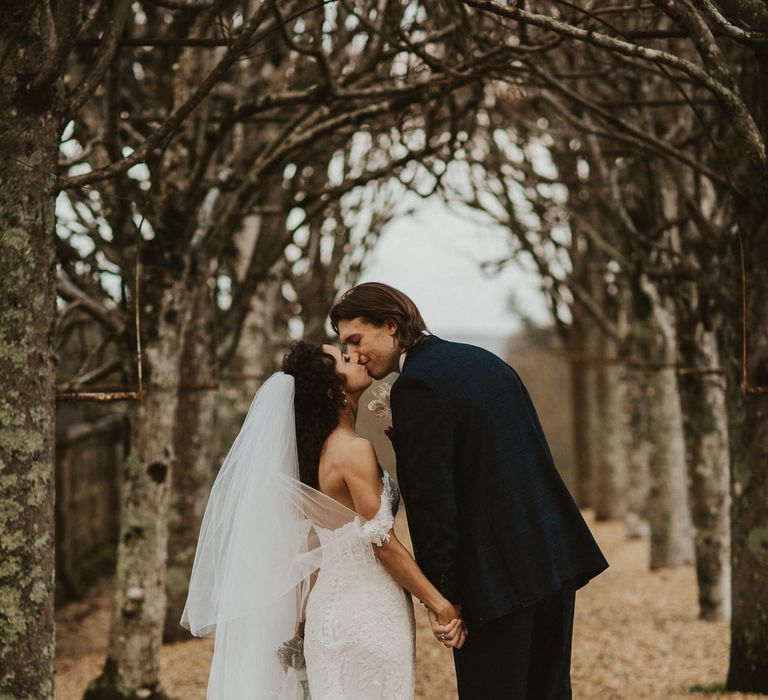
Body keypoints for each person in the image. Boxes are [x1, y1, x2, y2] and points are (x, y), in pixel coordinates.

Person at [330, 282, 609, 700]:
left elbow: (432, 503)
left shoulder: (418, 386)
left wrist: (443, 596)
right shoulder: (482, 360)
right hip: (552, 559)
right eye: (344, 345)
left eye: (355, 339)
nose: (353, 353)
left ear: (390, 326)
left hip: (495, 581)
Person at [181, 341, 465, 700]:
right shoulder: (353, 449)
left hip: (326, 615)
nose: (357, 356)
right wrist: (438, 602)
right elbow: (382, 544)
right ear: (334, 391)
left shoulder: (311, 455)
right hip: (369, 612)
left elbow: (313, 544)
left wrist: (300, 622)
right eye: (345, 358)